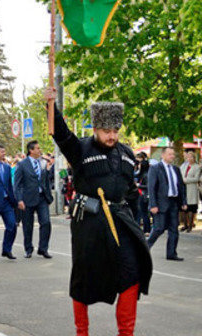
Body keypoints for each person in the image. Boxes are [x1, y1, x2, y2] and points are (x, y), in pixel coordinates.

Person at [46, 87, 152, 336]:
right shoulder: (80, 148)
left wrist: (139, 224)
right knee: (84, 278)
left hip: (121, 222)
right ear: (95, 128)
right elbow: (59, 132)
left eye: (115, 131)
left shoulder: (126, 154)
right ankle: (82, 332)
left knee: (132, 272)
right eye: (107, 131)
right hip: (89, 223)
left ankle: (126, 333)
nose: (112, 136)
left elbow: (131, 191)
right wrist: (50, 104)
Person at [14, 140, 54, 259]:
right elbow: (17, 184)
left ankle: (43, 249)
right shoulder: (22, 164)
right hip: (27, 199)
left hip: (42, 198)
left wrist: (48, 196)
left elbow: (46, 180)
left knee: (46, 222)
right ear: (31, 150)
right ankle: (28, 248)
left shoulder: (43, 162)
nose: (40, 150)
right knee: (28, 225)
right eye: (37, 148)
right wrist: (19, 199)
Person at [147, 147, 187, 261]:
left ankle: (171, 253)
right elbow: (151, 188)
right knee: (159, 228)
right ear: (163, 155)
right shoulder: (155, 168)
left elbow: (181, 187)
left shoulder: (176, 169)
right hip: (160, 203)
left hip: (174, 202)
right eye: (170, 154)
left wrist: (183, 202)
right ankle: (145, 248)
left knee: (174, 229)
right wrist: (153, 204)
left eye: (173, 154)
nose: (172, 156)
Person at [180, 149, 200, 232]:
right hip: (183, 188)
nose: (189, 159)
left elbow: (196, 178)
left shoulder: (197, 167)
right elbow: (181, 174)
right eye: (188, 157)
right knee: (184, 207)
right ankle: (184, 224)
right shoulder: (184, 166)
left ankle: (190, 226)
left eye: (191, 157)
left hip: (192, 188)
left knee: (191, 207)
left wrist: (185, 180)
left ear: (194, 158)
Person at [135, 154, 151, 235]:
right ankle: (146, 229)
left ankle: (147, 229)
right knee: (142, 213)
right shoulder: (142, 174)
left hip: (144, 195)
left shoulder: (146, 175)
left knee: (144, 213)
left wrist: (139, 185)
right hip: (141, 195)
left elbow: (148, 186)